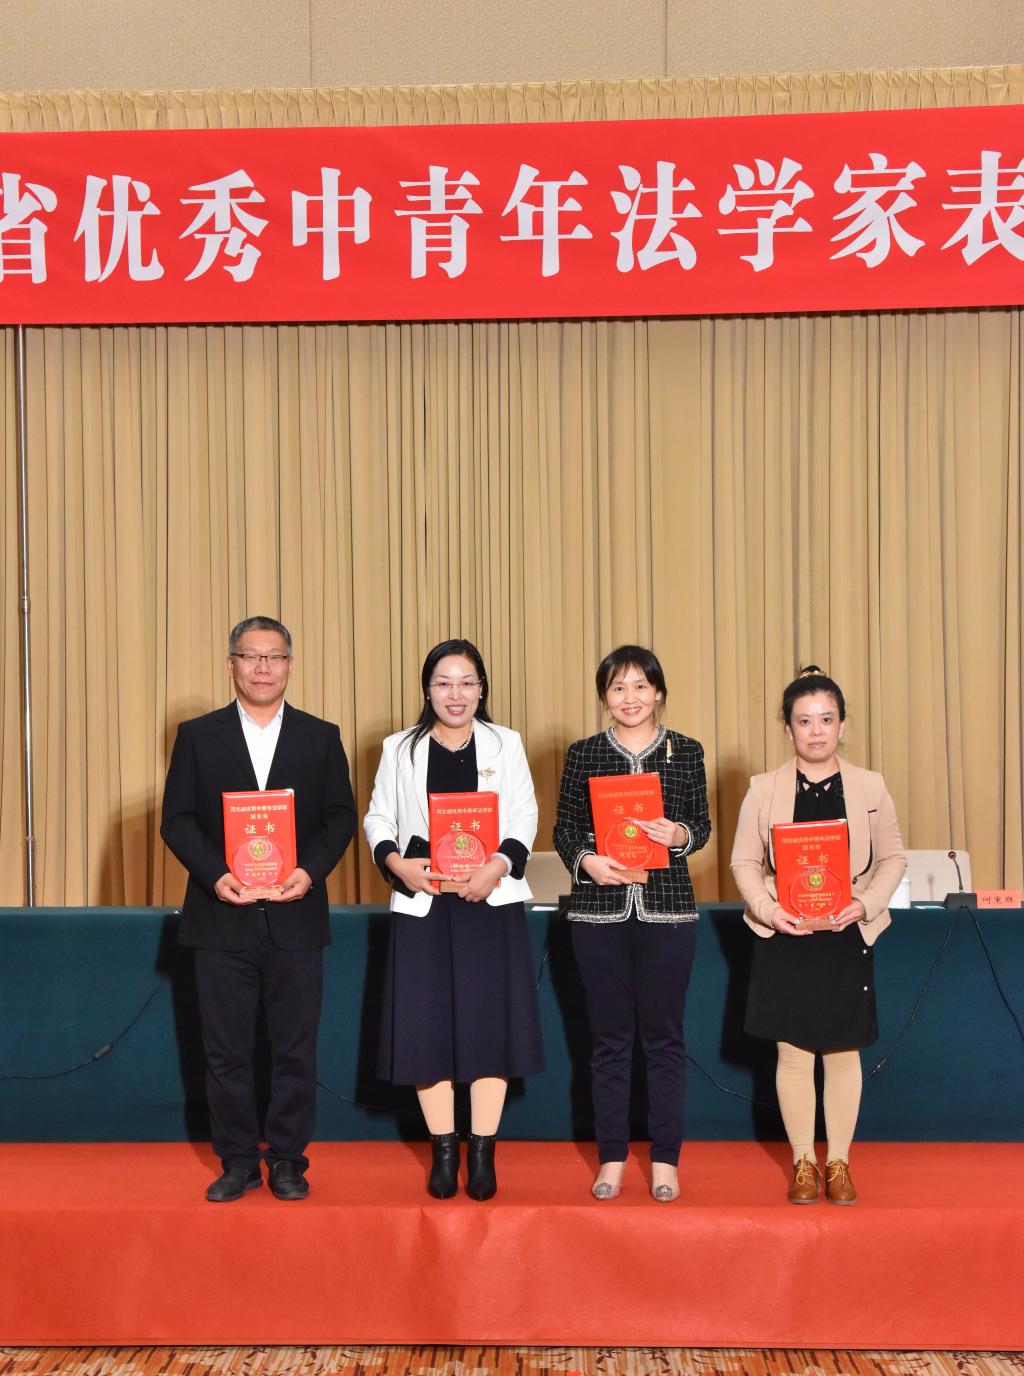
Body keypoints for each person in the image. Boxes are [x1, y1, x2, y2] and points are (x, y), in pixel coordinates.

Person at [161, 616, 356, 1202]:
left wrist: (309, 871)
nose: (263, 668)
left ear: (290, 666)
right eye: (251, 657)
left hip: (296, 915)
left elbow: (340, 818)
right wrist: (215, 875)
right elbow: (178, 820)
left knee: (295, 1048)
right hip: (220, 916)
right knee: (226, 1051)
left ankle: (289, 1160)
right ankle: (239, 1161)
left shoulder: (321, 736)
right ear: (231, 665)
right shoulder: (198, 735)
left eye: (274, 657)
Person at [363, 638, 544, 1201]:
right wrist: (396, 863)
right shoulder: (399, 748)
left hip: (488, 901)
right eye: (444, 683)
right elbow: (377, 817)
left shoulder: (506, 743)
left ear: (482, 689)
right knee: (426, 1028)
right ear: (428, 689)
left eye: (467, 682)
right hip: (424, 901)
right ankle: (443, 1149)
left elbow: (525, 814)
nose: (455, 693)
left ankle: (482, 1150)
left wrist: (498, 866)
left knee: (489, 1025)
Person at [730, 665, 906, 1206]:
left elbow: (894, 858)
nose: (816, 730)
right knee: (793, 1053)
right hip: (785, 933)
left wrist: (865, 904)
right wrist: (768, 909)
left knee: (842, 1051)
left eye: (826, 719)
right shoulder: (763, 788)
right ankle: (804, 1161)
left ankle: (839, 1162)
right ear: (788, 728)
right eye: (804, 721)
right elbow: (743, 862)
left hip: (846, 931)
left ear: (842, 725)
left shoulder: (871, 786)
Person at [553, 645, 711, 1203]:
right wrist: (587, 861)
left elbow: (701, 825)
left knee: (665, 1040)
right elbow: (565, 830)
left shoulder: (686, 751)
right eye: (618, 687)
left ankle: (665, 1160)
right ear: (604, 697)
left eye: (641, 686)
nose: (630, 697)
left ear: (659, 691)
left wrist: (679, 835)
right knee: (609, 1041)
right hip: (599, 913)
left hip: (667, 911)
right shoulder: (584, 753)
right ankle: (613, 1157)